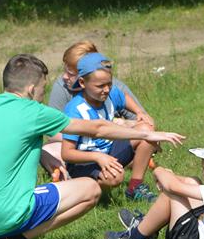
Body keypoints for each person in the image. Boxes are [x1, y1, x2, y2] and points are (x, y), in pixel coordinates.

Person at [0, 54, 185, 239]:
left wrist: (43, 154)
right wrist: (146, 134)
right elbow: (97, 128)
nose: (43, 95)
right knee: (90, 189)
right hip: (1, 212)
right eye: (43, 89)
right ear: (31, 89)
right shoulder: (33, 111)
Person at [41, 40, 149, 182]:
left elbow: (139, 117)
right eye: (65, 70)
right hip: (77, 146)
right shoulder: (64, 90)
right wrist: (86, 133)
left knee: (146, 132)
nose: (64, 76)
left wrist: (125, 124)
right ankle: (69, 176)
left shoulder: (109, 86)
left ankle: (135, 179)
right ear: (82, 81)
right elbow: (52, 132)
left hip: (110, 142)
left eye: (70, 73)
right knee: (48, 151)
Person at [62, 52, 158, 200]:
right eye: (100, 86)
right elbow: (67, 153)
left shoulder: (109, 94)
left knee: (147, 131)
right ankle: (91, 194)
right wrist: (97, 157)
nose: (107, 89)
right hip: (85, 163)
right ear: (82, 83)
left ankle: (135, 187)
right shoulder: (75, 110)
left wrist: (139, 112)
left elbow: (123, 96)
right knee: (115, 177)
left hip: (109, 151)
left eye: (109, 84)